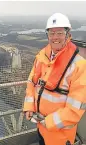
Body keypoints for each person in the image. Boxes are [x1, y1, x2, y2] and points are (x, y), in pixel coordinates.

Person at [23, 13, 86, 145]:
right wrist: (29, 106)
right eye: (51, 33)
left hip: (60, 134)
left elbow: (75, 109)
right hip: (41, 126)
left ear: (68, 35)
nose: (55, 37)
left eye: (59, 33)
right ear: (47, 35)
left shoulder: (79, 65)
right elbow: (31, 82)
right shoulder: (42, 57)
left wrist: (49, 121)